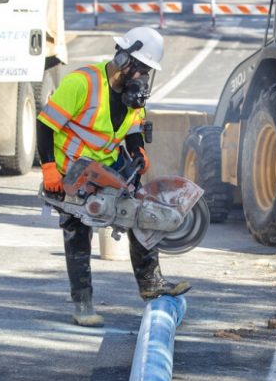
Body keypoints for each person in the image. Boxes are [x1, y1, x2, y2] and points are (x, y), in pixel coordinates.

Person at [37, 26, 190, 328]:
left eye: (148, 70)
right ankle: (83, 304)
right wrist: (49, 168)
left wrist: (137, 152)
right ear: (124, 59)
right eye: (141, 68)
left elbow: (133, 128)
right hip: (72, 169)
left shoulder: (134, 94)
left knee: (142, 211)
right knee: (77, 230)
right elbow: (45, 125)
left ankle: (151, 283)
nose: (143, 76)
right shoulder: (82, 83)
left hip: (109, 165)